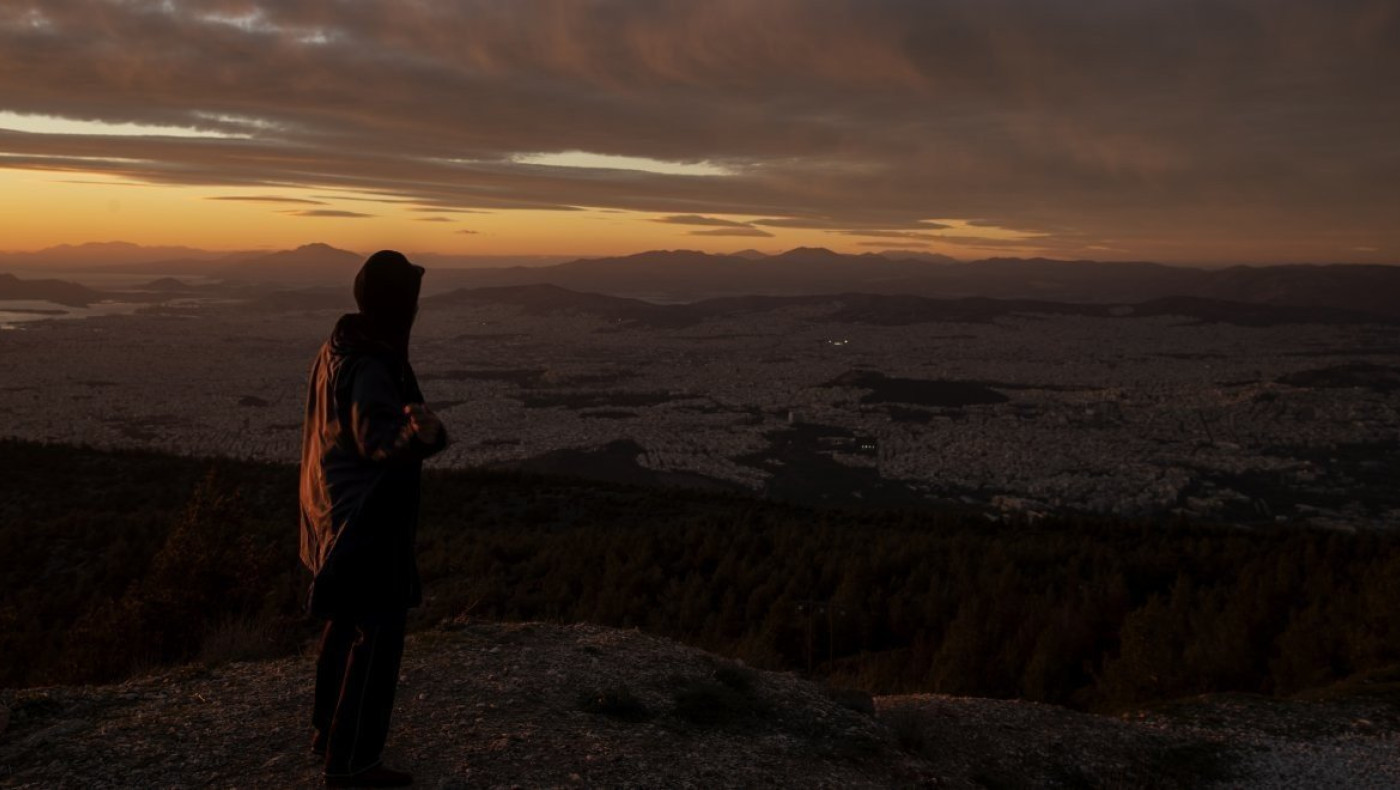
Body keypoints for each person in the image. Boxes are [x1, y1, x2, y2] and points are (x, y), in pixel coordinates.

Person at [299, 250, 447, 788]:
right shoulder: (371, 363)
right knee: (378, 638)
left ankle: (327, 732)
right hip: (365, 519)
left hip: (331, 511)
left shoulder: (339, 346)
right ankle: (353, 762)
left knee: (345, 626)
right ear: (398, 304)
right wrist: (423, 433)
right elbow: (376, 439)